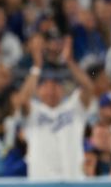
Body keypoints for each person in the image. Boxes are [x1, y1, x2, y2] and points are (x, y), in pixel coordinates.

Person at [19, 35, 92, 179]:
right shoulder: (34, 110)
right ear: (38, 91)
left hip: (73, 181)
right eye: (45, 85)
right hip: (41, 182)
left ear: (63, 90)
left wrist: (70, 61)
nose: (51, 90)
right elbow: (22, 100)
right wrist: (37, 66)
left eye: (55, 85)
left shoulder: (73, 107)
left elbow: (89, 88)